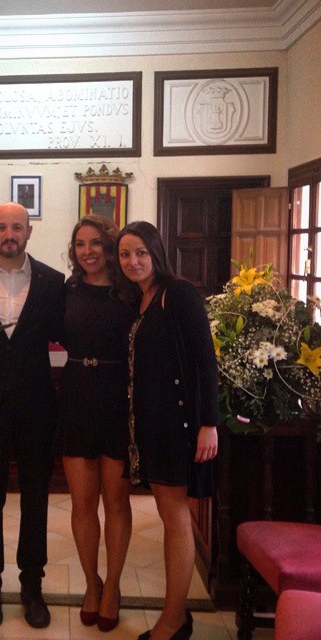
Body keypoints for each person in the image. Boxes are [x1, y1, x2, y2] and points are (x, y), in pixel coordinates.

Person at [0, 202, 65, 630]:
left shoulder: (53, 281)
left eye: (17, 227)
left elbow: (68, 331)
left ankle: (32, 587)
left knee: (36, 500)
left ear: (28, 232)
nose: (9, 234)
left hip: (38, 407)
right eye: (2, 227)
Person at [115, 221, 219, 640]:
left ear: (156, 253)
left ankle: (174, 619)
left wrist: (209, 423)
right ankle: (176, 614)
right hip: (150, 425)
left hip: (177, 425)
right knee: (167, 515)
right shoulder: (138, 299)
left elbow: (205, 359)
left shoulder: (178, 293)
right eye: (125, 254)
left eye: (141, 252)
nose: (133, 261)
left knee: (176, 518)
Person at [55, 215, 134, 632]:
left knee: (116, 502)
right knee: (82, 502)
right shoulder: (65, 291)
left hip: (119, 398)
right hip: (76, 396)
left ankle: (114, 586)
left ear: (109, 246)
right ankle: (91, 583)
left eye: (96, 243)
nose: (88, 251)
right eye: (80, 244)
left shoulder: (130, 291)